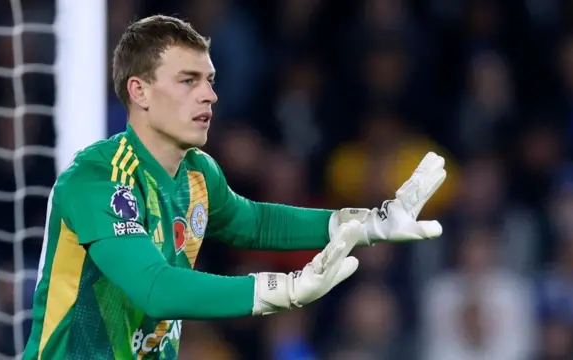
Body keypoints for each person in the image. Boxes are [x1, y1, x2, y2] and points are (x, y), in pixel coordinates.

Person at [23, 15, 447, 359]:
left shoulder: (198, 174)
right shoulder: (99, 179)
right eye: (188, 81)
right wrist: (284, 289)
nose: (210, 95)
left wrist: (366, 225)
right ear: (140, 91)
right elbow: (155, 289)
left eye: (209, 80)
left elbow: (253, 222)